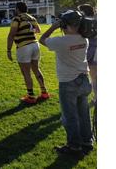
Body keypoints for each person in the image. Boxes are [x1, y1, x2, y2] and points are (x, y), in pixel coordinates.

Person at [39, 10, 93, 156]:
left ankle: (74, 147)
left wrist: (53, 27)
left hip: (68, 83)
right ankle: (87, 142)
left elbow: (42, 39)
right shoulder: (84, 39)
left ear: (64, 24)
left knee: (70, 117)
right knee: (84, 114)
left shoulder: (61, 41)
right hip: (84, 80)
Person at [7, 2, 49, 104]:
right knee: (36, 69)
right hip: (35, 45)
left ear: (17, 9)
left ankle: (31, 96)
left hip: (24, 46)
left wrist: (8, 50)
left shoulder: (17, 18)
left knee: (26, 72)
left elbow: (11, 34)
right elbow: (38, 30)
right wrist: (29, 31)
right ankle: (44, 92)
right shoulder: (31, 18)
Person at [78, 4, 97, 104]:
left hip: (92, 51)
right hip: (93, 50)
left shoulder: (85, 22)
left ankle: (97, 98)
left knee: (94, 77)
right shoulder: (94, 20)